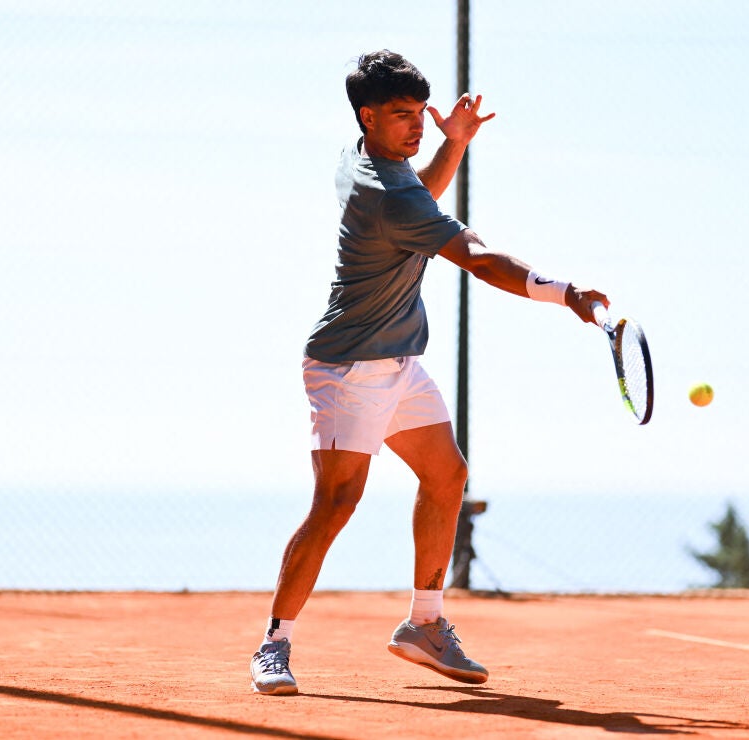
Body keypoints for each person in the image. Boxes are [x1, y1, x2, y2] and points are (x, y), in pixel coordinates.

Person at [251, 50, 608, 696]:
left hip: (398, 364)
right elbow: (476, 257)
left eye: (420, 113)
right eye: (401, 116)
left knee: (446, 476)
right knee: (336, 503)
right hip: (347, 368)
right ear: (369, 116)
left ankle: (425, 623)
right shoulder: (384, 194)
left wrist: (454, 144)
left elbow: (422, 197)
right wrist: (567, 294)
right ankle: (274, 644)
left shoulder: (358, 159)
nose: (417, 126)